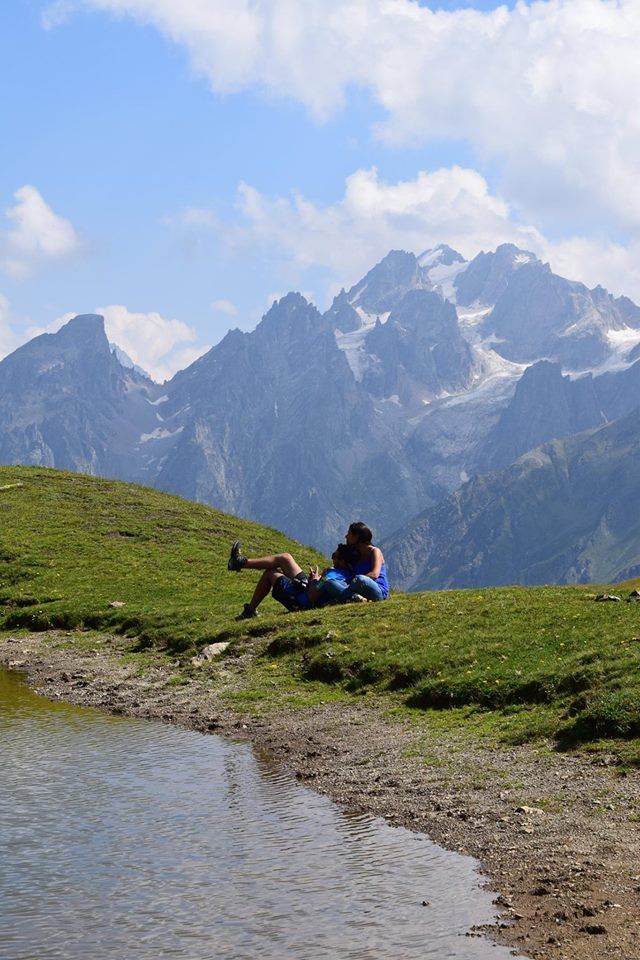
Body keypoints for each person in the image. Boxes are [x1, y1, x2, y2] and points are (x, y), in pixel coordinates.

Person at [228, 540, 356, 620]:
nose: (332, 558)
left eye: (335, 556)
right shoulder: (349, 573)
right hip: (307, 590)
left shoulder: (332, 575)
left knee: (270, 573)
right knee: (285, 558)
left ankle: (249, 611)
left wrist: (314, 581)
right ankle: (240, 562)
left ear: (342, 561)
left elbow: (312, 596)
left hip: (302, 602)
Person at [339, 521, 389, 602]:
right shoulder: (356, 555)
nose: (346, 536)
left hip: (378, 591)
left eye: (349, 534)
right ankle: (355, 598)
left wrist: (353, 583)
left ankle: (341, 598)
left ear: (356, 536)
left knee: (360, 579)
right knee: (331, 583)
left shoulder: (375, 551)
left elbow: (374, 574)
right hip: (361, 591)